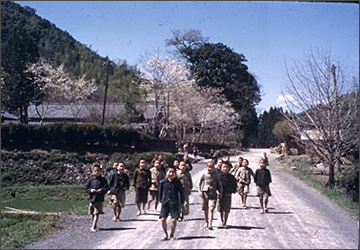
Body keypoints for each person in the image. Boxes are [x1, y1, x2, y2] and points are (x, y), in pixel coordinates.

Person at [158, 167, 185, 241]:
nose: (171, 174)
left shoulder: (177, 182)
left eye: (173, 172)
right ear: (166, 173)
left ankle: (172, 234)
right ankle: (165, 234)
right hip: (165, 203)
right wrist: (161, 200)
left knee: (173, 219)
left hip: (174, 203)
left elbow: (181, 192)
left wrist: (181, 202)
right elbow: (160, 193)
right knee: (163, 219)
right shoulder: (163, 182)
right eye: (169, 172)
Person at [197, 161, 223, 230]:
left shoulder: (216, 175)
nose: (210, 169)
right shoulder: (204, 174)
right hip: (205, 193)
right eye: (208, 167)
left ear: (214, 168)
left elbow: (219, 184)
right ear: (206, 167)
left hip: (213, 193)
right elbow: (199, 183)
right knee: (205, 208)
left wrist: (220, 191)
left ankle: (210, 224)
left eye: (211, 167)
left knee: (211, 208)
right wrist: (199, 191)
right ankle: (206, 222)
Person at [85, 164, 109, 232]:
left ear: (100, 172)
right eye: (95, 171)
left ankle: (93, 226)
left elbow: (106, 187)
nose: (96, 172)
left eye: (98, 171)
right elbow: (86, 188)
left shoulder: (103, 180)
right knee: (93, 213)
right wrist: (91, 190)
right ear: (92, 172)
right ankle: (94, 224)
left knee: (96, 213)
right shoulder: (90, 180)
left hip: (99, 199)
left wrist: (101, 190)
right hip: (92, 199)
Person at [217, 162, 237, 229]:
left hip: (228, 195)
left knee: (227, 209)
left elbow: (234, 185)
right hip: (220, 195)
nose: (225, 168)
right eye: (224, 167)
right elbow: (215, 184)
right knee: (221, 209)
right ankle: (222, 220)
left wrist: (233, 191)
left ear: (229, 168)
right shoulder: (218, 176)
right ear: (221, 168)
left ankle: (225, 222)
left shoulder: (231, 177)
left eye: (227, 167)